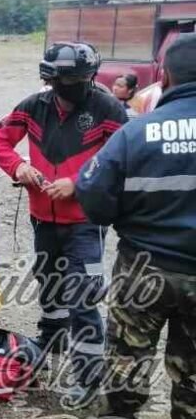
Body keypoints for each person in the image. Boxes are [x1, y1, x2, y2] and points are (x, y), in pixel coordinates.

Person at [0, 41, 129, 406]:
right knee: (49, 283)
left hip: (86, 222)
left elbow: (124, 159)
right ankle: (51, 340)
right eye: (64, 82)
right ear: (49, 80)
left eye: (79, 81)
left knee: (83, 297)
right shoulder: (34, 106)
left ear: (90, 78)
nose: (71, 90)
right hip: (43, 219)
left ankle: (88, 377)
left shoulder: (108, 108)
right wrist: (19, 167)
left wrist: (79, 183)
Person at [76, 34, 196, 419]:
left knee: (126, 367)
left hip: (143, 268)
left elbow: (92, 194)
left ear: (165, 76)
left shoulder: (136, 132)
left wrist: (125, 217)